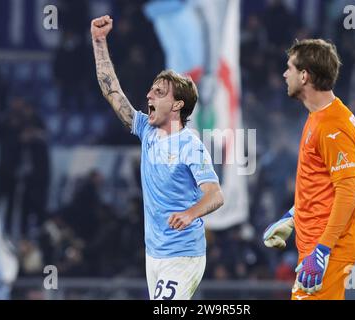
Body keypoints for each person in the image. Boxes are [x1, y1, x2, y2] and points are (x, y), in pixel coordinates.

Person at [90, 15, 224, 300]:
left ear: (177, 105)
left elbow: (215, 195)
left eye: (159, 92)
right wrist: (99, 42)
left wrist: (189, 214)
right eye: (152, 89)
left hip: (183, 255)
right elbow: (111, 90)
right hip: (154, 254)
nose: (149, 94)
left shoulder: (190, 145)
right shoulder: (147, 131)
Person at [263, 39, 355, 300]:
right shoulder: (319, 117)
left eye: (290, 68)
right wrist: (292, 217)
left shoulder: (332, 126)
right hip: (316, 246)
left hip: (326, 250)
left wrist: (322, 250)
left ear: (305, 75)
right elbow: (322, 187)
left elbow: (347, 193)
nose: (285, 74)